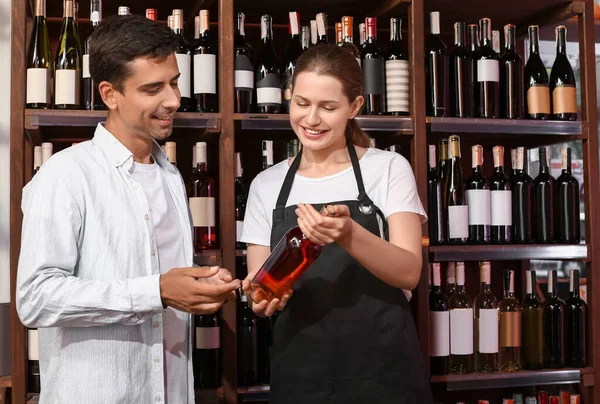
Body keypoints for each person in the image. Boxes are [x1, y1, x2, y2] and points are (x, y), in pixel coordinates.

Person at [16, 15, 239, 404]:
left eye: (174, 82)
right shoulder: (65, 176)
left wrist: (200, 284)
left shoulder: (171, 177)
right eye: (153, 88)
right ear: (109, 94)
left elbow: (166, 282)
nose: (172, 100)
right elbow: (35, 298)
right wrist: (155, 291)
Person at [241, 44, 433, 403]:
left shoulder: (387, 169)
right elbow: (259, 286)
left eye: (328, 107)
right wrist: (262, 298)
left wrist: (350, 234)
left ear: (354, 107)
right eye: (301, 103)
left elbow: (409, 272)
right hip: (300, 374)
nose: (311, 119)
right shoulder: (265, 185)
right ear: (289, 97)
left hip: (384, 373)